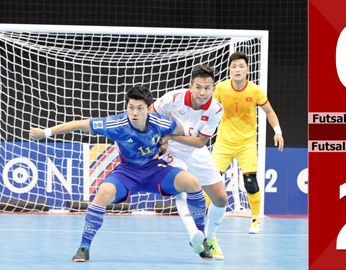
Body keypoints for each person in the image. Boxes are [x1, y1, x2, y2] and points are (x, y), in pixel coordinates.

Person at [29, 85, 212, 262]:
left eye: (139, 108)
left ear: (149, 108)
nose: (134, 113)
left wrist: (166, 143)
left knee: (192, 182)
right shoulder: (116, 124)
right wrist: (44, 133)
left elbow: (180, 132)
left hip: (154, 169)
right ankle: (84, 246)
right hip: (127, 173)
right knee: (103, 192)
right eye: (131, 107)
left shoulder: (163, 122)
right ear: (126, 106)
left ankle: (201, 237)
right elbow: (79, 125)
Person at [151, 64, 227, 260]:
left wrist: (172, 136)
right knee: (183, 186)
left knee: (221, 199)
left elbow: (201, 142)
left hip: (195, 150)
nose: (202, 92)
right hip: (173, 152)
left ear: (213, 88)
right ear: (190, 86)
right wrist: (159, 141)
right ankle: (194, 234)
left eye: (207, 88)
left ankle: (209, 238)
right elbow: (151, 113)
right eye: (199, 87)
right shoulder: (173, 98)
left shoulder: (216, 109)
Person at [212, 52, 284, 234]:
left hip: (246, 143)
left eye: (241, 66)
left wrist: (278, 132)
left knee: (250, 182)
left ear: (247, 70)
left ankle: (254, 222)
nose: (237, 69)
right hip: (223, 143)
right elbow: (209, 109)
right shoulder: (220, 88)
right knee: (210, 180)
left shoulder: (255, 91)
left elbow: (269, 111)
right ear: (229, 70)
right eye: (234, 66)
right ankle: (204, 218)